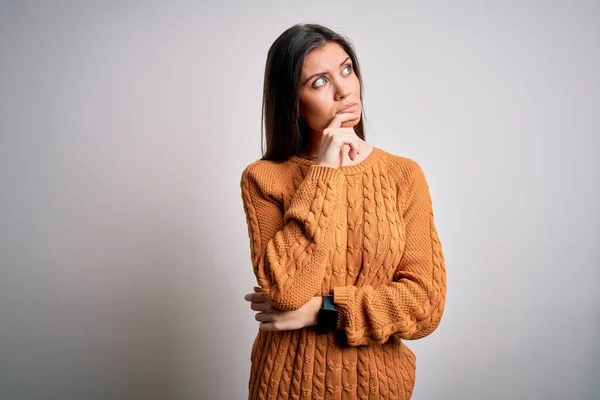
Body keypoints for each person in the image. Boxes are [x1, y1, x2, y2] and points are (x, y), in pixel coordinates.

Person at [240, 23, 446, 400]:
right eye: (319, 82)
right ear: (293, 102)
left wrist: (323, 310)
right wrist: (323, 172)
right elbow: (285, 291)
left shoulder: (403, 175)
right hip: (285, 387)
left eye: (346, 69)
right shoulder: (264, 179)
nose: (343, 89)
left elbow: (425, 305)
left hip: (378, 388)